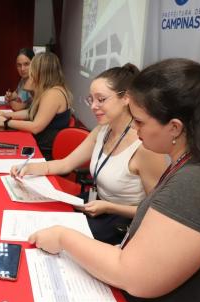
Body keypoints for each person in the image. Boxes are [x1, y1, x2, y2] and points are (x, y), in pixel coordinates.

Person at [28, 58, 200, 302]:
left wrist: (63, 237)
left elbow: (134, 275)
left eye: (140, 122)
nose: (136, 128)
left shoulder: (198, 180)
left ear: (175, 127)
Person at [12, 64, 167, 244]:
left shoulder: (145, 147)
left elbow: (154, 211)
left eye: (101, 99)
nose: (94, 106)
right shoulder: (103, 130)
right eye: (91, 99)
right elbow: (66, 164)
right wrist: (29, 168)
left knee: (57, 239)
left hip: (121, 221)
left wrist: (110, 207)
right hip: (97, 205)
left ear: (126, 98)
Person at [0, 52, 72, 160]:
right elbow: (30, 112)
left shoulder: (53, 94)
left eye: (32, 69)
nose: (30, 72)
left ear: (41, 72)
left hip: (45, 152)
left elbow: (35, 127)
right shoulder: (49, 89)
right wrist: (6, 115)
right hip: (41, 144)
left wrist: (6, 123)